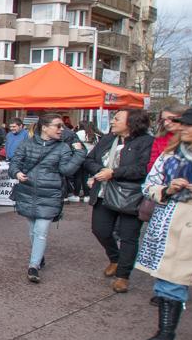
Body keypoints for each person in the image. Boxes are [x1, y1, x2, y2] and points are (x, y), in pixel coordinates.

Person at [136, 107, 192, 340]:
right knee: (170, 279)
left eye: (188, 125)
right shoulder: (169, 155)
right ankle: (164, 337)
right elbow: (148, 185)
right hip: (171, 224)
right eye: (180, 124)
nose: (181, 128)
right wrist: (167, 189)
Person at [9, 113, 87, 283]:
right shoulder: (27, 144)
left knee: (41, 231)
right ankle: (39, 256)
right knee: (32, 230)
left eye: (62, 126)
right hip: (27, 192)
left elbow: (66, 170)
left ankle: (33, 265)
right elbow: (14, 163)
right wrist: (16, 172)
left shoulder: (63, 148)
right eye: (57, 126)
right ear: (44, 127)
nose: (62, 129)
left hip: (50, 194)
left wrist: (80, 154)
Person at [84, 109, 154, 293]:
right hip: (103, 194)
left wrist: (114, 173)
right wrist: (100, 171)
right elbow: (89, 160)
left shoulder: (146, 142)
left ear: (131, 123)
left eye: (117, 119)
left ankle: (123, 276)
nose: (112, 122)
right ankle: (115, 258)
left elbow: (142, 169)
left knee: (128, 236)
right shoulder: (108, 139)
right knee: (100, 230)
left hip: (130, 197)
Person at [148, 104, 186, 172]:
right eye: (164, 120)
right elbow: (152, 164)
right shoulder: (160, 138)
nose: (166, 123)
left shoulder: (191, 139)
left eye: (171, 119)